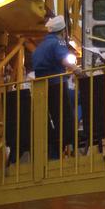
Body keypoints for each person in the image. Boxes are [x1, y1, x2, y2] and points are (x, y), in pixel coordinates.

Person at [30, 15, 76, 159]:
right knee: (65, 119)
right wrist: (77, 70)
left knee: (49, 121)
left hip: (41, 89)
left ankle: (52, 152)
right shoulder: (58, 42)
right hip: (57, 85)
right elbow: (64, 60)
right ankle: (70, 142)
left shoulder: (39, 48)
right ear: (63, 31)